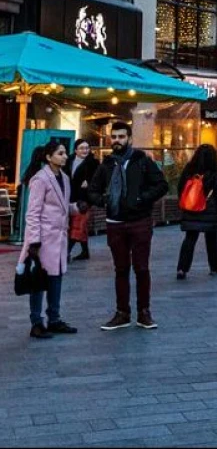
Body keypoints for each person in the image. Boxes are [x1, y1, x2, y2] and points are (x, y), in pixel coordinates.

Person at [88, 122, 169, 330]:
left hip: (139, 221)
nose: (116, 141)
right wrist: (104, 201)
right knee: (120, 269)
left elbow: (161, 185)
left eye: (121, 137)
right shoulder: (106, 165)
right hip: (115, 223)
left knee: (141, 268)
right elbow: (92, 190)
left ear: (129, 139)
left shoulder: (141, 161)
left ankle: (144, 312)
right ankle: (122, 313)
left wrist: (142, 198)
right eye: (113, 137)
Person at [20, 141, 80, 339]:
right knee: (39, 280)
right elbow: (33, 212)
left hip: (59, 237)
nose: (65, 156)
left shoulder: (63, 177)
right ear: (49, 157)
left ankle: (54, 318)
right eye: (60, 153)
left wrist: (79, 207)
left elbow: (62, 207)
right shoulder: (40, 179)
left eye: (65, 153)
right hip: (44, 239)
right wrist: (34, 241)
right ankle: (36, 322)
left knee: (56, 278)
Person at [175, 144, 217, 280]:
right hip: (210, 211)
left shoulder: (189, 169)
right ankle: (215, 267)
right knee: (212, 241)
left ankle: (182, 268)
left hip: (191, 209)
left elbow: (180, 187)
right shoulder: (214, 171)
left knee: (189, 239)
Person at [65, 138, 99, 262]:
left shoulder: (94, 163)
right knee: (78, 226)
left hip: (84, 201)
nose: (85, 150)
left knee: (77, 225)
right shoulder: (68, 160)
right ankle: (85, 252)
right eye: (81, 148)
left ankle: (66, 252)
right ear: (75, 150)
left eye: (87, 148)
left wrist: (89, 182)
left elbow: (100, 180)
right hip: (70, 198)